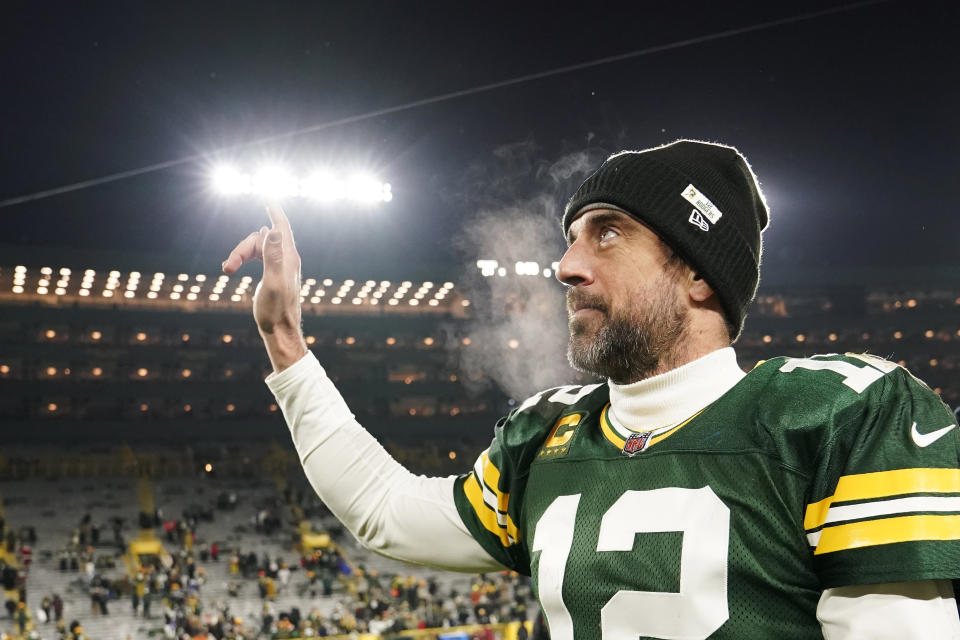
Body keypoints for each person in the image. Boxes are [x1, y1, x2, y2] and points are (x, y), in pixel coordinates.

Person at [223, 139, 960, 639]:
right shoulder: (548, 435)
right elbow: (387, 512)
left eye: (606, 233)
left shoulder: (843, 416)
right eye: (569, 238)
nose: (566, 266)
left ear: (699, 271)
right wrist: (285, 341)